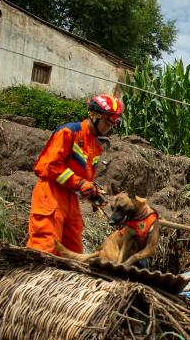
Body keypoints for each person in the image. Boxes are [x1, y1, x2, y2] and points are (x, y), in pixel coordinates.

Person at [26, 94, 123, 255]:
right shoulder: (69, 132)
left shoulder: (95, 146)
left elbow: (85, 177)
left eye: (111, 125)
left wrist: (92, 192)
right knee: (45, 249)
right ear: (94, 115)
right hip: (50, 194)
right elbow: (50, 166)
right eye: (107, 123)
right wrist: (80, 183)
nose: (109, 128)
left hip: (71, 199)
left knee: (73, 254)